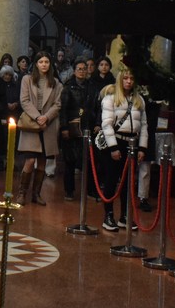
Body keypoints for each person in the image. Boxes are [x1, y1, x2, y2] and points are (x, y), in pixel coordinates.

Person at [95, 66, 148, 232]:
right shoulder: (110, 99)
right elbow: (106, 124)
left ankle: (125, 215)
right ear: (120, 80)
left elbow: (144, 125)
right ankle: (108, 215)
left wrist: (142, 148)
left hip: (132, 143)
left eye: (131, 79)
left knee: (128, 182)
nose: (128, 81)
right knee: (111, 180)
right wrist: (113, 147)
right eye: (125, 78)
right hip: (115, 142)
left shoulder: (139, 100)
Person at [16, 51, 62, 205]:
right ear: (36, 64)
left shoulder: (56, 83)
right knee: (30, 160)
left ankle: (36, 194)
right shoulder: (27, 79)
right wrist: (37, 117)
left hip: (48, 125)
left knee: (42, 162)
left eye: (46, 62)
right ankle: (22, 193)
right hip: (31, 122)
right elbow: (24, 100)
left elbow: (57, 104)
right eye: (41, 62)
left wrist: (46, 117)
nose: (44, 64)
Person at [60, 59, 94, 201]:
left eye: (84, 69)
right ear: (74, 71)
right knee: (70, 161)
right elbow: (63, 109)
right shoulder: (68, 87)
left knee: (89, 160)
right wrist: (64, 128)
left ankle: (90, 190)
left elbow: (94, 106)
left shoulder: (91, 87)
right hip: (72, 127)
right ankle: (69, 190)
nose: (82, 71)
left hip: (87, 126)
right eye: (79, 69)